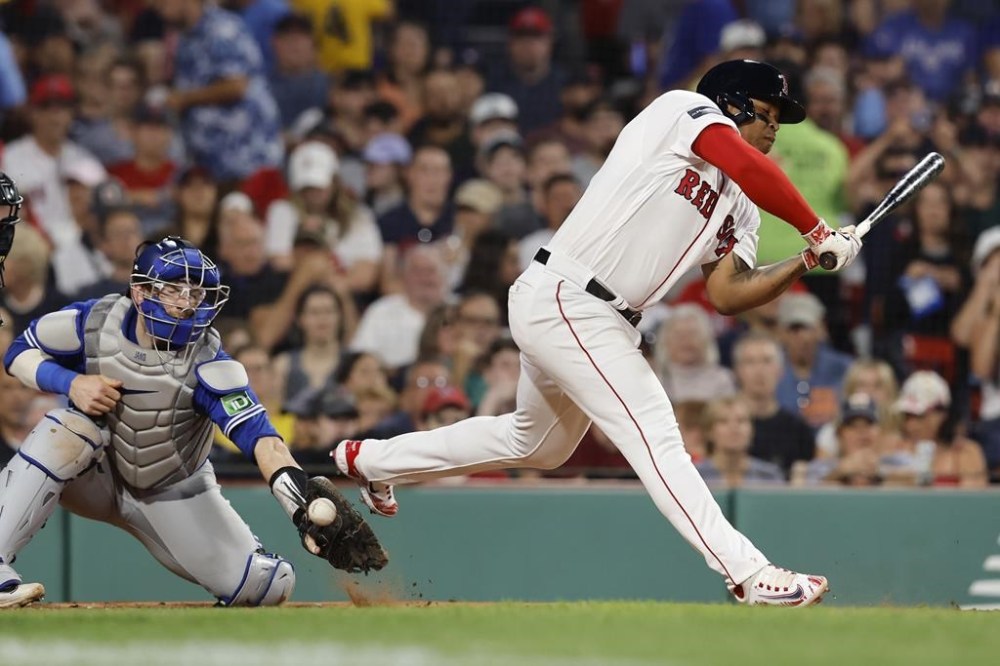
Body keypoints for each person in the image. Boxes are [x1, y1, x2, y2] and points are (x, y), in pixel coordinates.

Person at [333, 59, 863, 606]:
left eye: (780, 118)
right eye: (766, 112)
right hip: (571, 294)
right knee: (656, 433)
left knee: (536, 443)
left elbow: (728, 294)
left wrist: (807, 259)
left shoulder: (743, 207)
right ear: (730, 102)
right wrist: (817, 227)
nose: (775, 128)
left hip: (593, 315)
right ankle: (749, 573)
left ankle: (370, 460)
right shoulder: (682, 111)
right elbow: (743, 162)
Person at [0, 236, 384, 609]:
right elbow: (19, 352)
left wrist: (299, 505)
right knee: (67, 428)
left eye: (195, 292)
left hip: (172, 489)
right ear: (140, 292)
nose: (186, 303)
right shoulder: (95, 321)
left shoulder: (209, 360)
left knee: (268, 585)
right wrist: (72, 382)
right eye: (173, 289)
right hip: (95, 475)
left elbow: (262, 439)